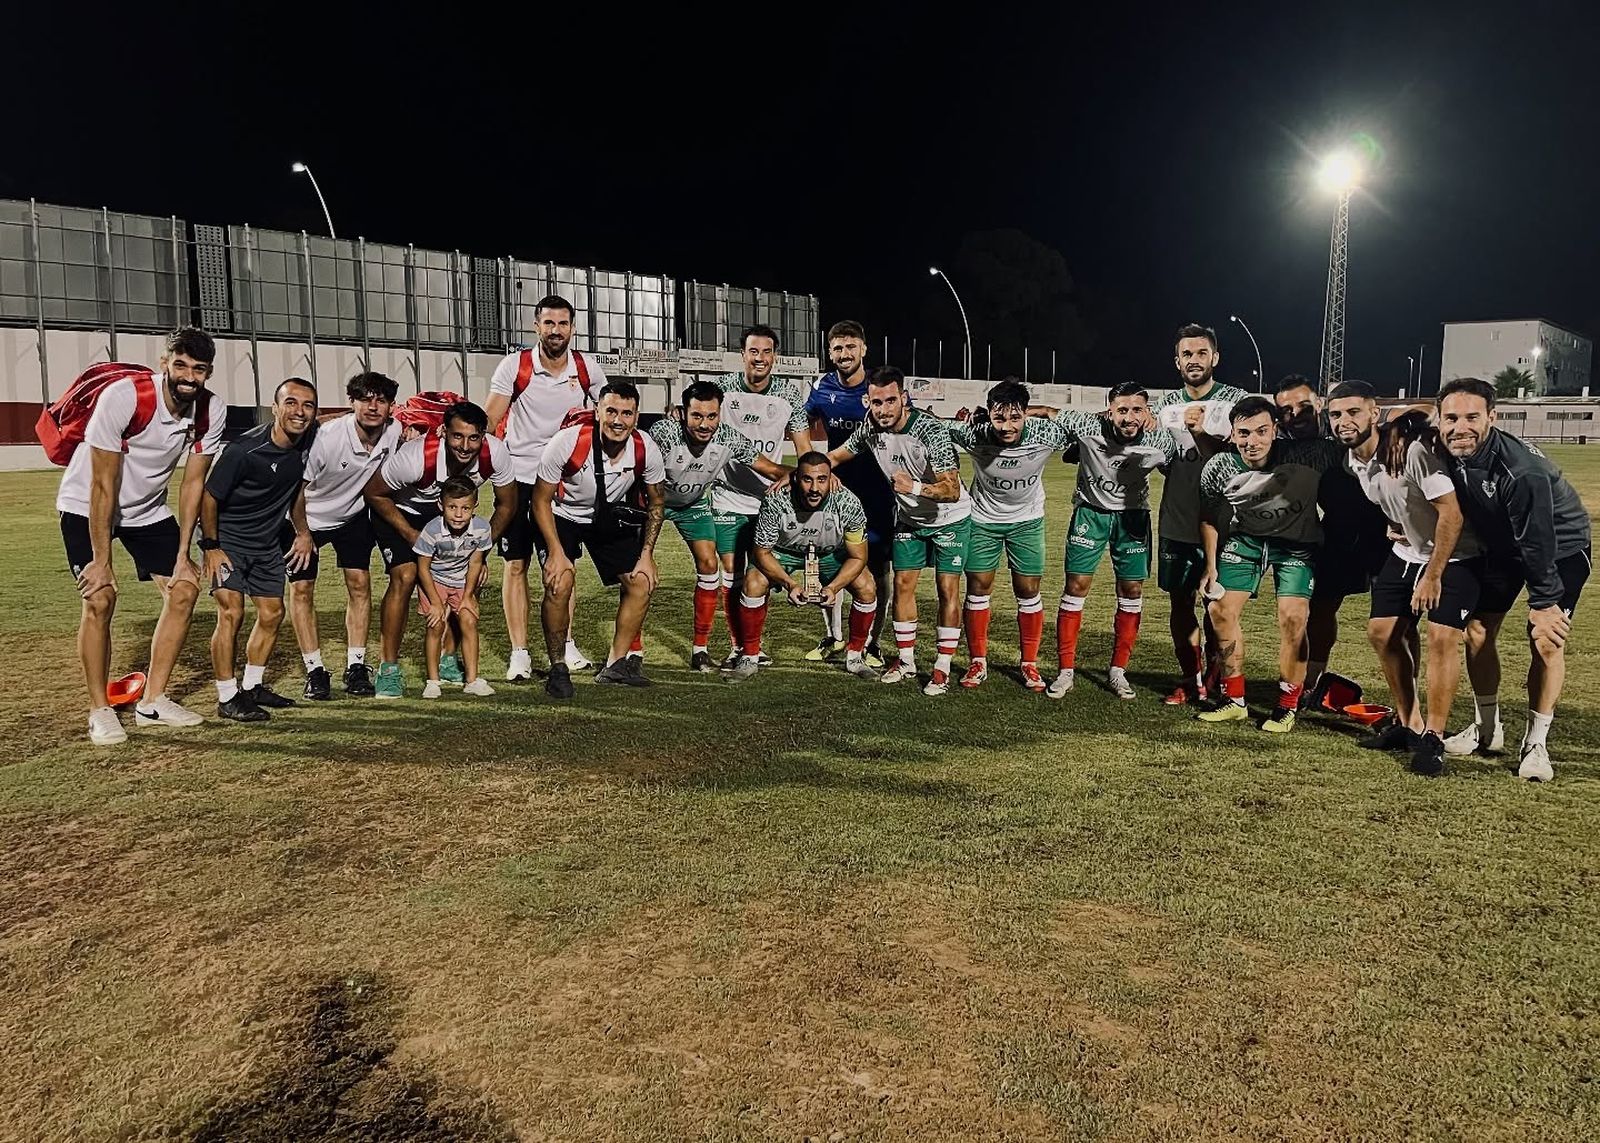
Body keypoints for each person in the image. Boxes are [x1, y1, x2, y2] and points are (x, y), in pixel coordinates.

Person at [59, 327, 227, 745]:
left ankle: (152, 702)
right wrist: (102, 561)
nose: (189, 376)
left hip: (146, 511)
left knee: (185, 588)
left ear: (208, 373)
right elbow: (103, 484)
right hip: (86, 504)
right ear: (164, 363)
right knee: (100, 597)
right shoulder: (125, 397)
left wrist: (184, 553)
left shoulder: (210, 409)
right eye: (181, 365)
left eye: (199, 369)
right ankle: (100, 710)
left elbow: (192, 484)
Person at [1430, 378, 1591, 781]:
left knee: (1546, 639)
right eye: (1451, 418)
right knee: (1478, 632)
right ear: (1439, 419)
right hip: (1506, 546)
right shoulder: (1449, 448)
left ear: (1493, 417)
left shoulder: (1521, 471)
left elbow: (1538, 541)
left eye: (1472, 417)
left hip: (1560, 548)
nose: (1460, 427)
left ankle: (1536, 744)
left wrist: (1545, 602)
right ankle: (1488, 730)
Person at [1325, 382, 1480, 776]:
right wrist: (1398, 524)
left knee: (1441, 637)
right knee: (1382, 633)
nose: (1344, 421)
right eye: (1336, 414)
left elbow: (1452, 514)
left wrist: (1433, 575)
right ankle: (1409, 724)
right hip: (1408, 552)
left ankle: (1434, 738)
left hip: (1455, 556)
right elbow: (1393, 499)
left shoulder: (1411, 449)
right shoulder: (1353, 461)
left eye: (1353, 412)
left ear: (1374, 413)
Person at [1196, 396, 1341, 733]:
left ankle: (1287, 706)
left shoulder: (1308, 455)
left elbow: (1358, 450)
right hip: (1246, 541)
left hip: (1296, 546)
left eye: (1261, 431)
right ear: (1232, 434)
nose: (1253, 441)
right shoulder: (1219, 467)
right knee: (1219, 611)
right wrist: (1211, 566)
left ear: (1275, 430)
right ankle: (1234, 700)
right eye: (1244, 433)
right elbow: (1208, 518)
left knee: (1293, 618)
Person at [825, 366, 971, 695]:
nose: (884, 409)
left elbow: (952, 490)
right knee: (902, 585)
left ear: (903, 398)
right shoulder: (870, 427)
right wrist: (812, 472)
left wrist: (914, 487)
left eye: (890, 400)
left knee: (947, 589)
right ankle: (906, 661)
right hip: (909, 519)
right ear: (868, 402)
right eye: (877, 402)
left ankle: (942, 668)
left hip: (950, 518)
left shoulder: (930, 429)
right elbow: (837, 455)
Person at [484, 294, 608, 680]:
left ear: (573, 328)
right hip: (520, 477)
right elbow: (490, 419)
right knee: (516, 565)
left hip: (562, 482)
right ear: (536, 326)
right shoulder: (515, 366)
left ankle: (566, 644)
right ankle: (519, 654)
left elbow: (607, 415)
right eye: (549, 323)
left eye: (563, 323)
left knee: (562, 565)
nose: (556, 330)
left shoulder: (587, 368)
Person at [1034, 384, 1182, 699]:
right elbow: (1047, 412)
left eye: (1137, 410)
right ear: (1109, 411)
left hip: (1133, 518)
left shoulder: (1160, 440)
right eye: (1122, 410)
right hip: (1090, 514)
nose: (1129, 417)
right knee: (1076, 587)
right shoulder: (1088, 425)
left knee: (1132, 591)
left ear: (1147, 411)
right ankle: (1065, 671)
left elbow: (1179, 471)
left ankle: (1118, 671)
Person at [364, 401, 517, 698]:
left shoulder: (495, 453)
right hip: (402, 512)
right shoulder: (415, 458)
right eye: (457, 436)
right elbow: (374, 493)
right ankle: (388, 668)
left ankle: (448, 659)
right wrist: (410, 534)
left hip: (450, 516)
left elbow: (507, 504)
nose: (465, 446)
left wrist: (479, 551)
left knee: (462, 580)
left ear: (484, 436)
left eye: (473, 438)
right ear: (444, 431)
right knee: (406, 576)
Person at [532, 381, 667, 698]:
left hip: (606, 517)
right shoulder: (567, 442)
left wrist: (646, 554)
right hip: (562, 515)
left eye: (627, 413)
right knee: (560, 581)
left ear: (636, 417)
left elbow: (657, 503)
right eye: (611, 411)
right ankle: (558, 667)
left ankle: (616, 665)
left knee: (641, 581)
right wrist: (555, 551)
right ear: (597, 412)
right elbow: (539, 501)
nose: (618, 420)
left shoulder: (645, 448)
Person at [200, 378, 319, 723]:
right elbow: (209, 497)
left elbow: (295, 494)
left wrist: (303, 532)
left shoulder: (306, 443)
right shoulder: (243, 450)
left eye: (308, 405)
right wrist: (211, 546)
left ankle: (252, 687)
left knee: (272, 613)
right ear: (275, 407)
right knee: (231, 613)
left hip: (266, 543)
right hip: (228, 542)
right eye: (291, 403)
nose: (299, 412)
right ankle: (227, 697)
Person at [1273, 374, 1393, 705]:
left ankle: (1404, 704)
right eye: (1286, 410)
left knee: (1394, 622)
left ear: (1319, 405)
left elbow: (1423, 412)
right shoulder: (1282, 446)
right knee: (1321, 608)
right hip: (1338, 533)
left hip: (1387, 536)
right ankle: (1313, 680)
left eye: (1303, 406)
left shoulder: (1351, 430)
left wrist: (1397, 421)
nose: (1296, 415)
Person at [946, 378, 1072, 692]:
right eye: (999, 417)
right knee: (978, 587)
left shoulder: (1045, 434)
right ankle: (978, 661)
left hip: (1027, 521)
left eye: (1015, 417)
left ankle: (1029, 663)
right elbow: (935, 428)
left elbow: (1088, 425)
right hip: (983, 520)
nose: (1006, 426)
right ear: (988, 414)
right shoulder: (974, 435)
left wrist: (1048, 410)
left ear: (1026, 414)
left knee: (1028, 590)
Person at [649, 381, 786, 671]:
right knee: (638, 575)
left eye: (712, 416)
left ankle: (700, 650)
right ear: (683, 413)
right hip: (652, 504)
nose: (705, 424)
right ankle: (631, 651)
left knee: (710, 565)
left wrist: (809, 474)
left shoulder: (727, 437)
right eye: (697, 416)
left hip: (692, 504)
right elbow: (640, 466)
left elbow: (771, 469)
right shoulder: (666, 433)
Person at [285, 372, 401, 700]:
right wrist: (303, 533)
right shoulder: (327, 439)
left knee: (360, 584)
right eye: (365, 399)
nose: (373, 407)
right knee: (302, 589)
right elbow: (296, 490)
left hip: (352, 516)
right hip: (306, 518)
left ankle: (356, 667)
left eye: (381, 400)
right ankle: (315, 671)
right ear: (352, 402)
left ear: (391, 406)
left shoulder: (394, 431)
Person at [1151, 324, 1247, 705]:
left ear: (1215, 358)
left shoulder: (1236, 401)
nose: (1194, 360)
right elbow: (1160, 460)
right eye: (1187, 354)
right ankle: (1191, 679)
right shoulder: (1163, 408)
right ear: (1177, 361)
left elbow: (1245, 455)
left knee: (1218, 607)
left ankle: (1217, 677)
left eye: (1201, 353)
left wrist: (1202, 432)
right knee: (1181, 604)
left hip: (1225, 526)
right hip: (1177, 520)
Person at [710, 324, 814, 670]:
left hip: (769, 501)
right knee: (731, 572)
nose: (760, 358)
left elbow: (804, 450)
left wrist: (806, 481)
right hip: (727, 496)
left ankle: (754, 645)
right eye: (753, 351)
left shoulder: (788, 395)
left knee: (761, 574)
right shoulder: (723, 390)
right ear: (742, 354)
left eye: (766, 352)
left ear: (775, 356)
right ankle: (737, 646)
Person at [727, 453, 878, 682]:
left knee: (866, 586)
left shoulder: (847, 502)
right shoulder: (776, 499)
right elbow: (762, 552)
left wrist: (833, 588)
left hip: (829, 553)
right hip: (783, 552)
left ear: (831, 478)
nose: (814, 488)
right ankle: (749, 656)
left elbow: (858, 557)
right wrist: (790, 585)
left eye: (822, 479)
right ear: (796, 478)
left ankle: (856, 657)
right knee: (754, 583)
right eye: (808, 479)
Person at [805, 320, 893, 665]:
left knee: (879, 568)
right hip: (836, 492)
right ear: (830, 352)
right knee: (830, 563)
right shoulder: (821, 387)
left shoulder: (879, 387)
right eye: (838, 348)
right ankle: (834, 636)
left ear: (864, 349)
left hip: (879, 493)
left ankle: (873, 642)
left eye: (851, 346)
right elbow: (800, 423)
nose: (845, 354)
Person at [414, 476, 496, 699]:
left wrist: (468, 596)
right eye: (452, 507)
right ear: (441, 505)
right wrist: (435, 603)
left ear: (475, 506)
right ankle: (433, 681)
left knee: (469, 620)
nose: (458, 514)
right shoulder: (432, 530)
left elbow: (476, 563)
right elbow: (423, 568)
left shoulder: (482, 528)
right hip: (435, 580)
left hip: (461, 581)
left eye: (465, 508)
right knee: (436, 624)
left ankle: (472, 680)